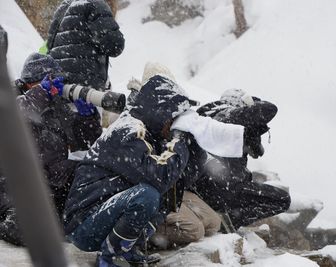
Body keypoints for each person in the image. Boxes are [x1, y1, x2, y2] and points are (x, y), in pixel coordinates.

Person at [63, 68, 206, 266]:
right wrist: (179, 140)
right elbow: (159, 175)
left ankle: (128, 250)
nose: (174, 125)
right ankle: (111, 257)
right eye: (173, 119)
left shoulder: (150, 132)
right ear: (161, 112)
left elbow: (179, 178)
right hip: (85, 225)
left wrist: (193, 144)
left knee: (161, 194)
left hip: (102, 216)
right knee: (147, 194)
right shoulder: (128, 130)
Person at [0, 53, 102, 246]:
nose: (55, 87)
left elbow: (86, 143)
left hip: (49, 182)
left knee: (89, 172)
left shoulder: (57, 107)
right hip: (13, 185)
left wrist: (87, 118)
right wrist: (40, 93)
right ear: (31, 82)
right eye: (49, 81)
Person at [192, 89, 291, 230]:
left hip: (204, 188)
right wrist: (252, 103)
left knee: (248, 182)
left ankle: (227, 219)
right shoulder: (228, 114)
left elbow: (256, 151)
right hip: (223, 189)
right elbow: (269, 109)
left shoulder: (207, 118)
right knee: (282, 200)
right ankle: (228, 223)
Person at [47, 0, 125, 90]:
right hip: (86, 88)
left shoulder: (62, 8)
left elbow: (49, 47)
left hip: (59, 86)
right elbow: (115, 46)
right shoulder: (95, 4)